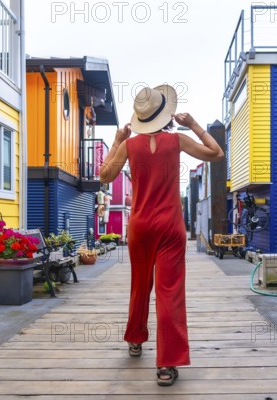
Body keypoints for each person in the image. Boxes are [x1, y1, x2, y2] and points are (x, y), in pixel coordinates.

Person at [99, 84, 224, 386]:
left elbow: (104, 176)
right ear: (165, 114)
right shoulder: (177, 140)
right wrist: (193, 124)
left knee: (139, 286)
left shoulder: (129, 147)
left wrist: (117, 140)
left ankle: (135, 340)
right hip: (170, 226)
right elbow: (216, 153)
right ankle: (166, 365)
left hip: (140, 226)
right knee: (170, 294)